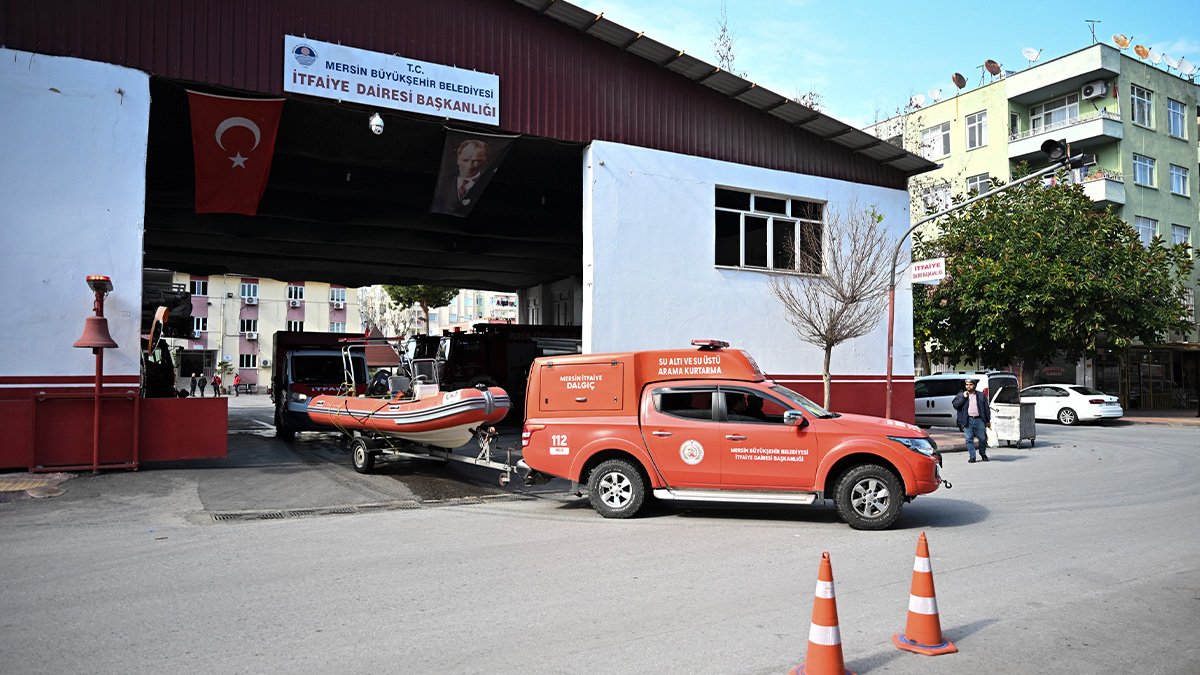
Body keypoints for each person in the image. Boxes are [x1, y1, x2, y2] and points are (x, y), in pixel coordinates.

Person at [431, 139, 489, 216]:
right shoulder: (442, 182)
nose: (469, 166)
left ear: (485, 161)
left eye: (476, 161)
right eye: (465, 160)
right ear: (458, 160)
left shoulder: (487, 184)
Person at [952, 378, 990, 463]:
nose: (968, 386)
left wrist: (988, 421)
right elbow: (955, 405)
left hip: (979, 419)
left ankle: (983, 453)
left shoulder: (981, 395)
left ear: (975, 385)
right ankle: (972, 456)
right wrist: (964, 398)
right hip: (967, 420)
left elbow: (986, 408)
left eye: (970, 384)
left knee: (983, 438)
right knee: (969, 439)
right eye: (967, 385)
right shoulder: (961, 395)